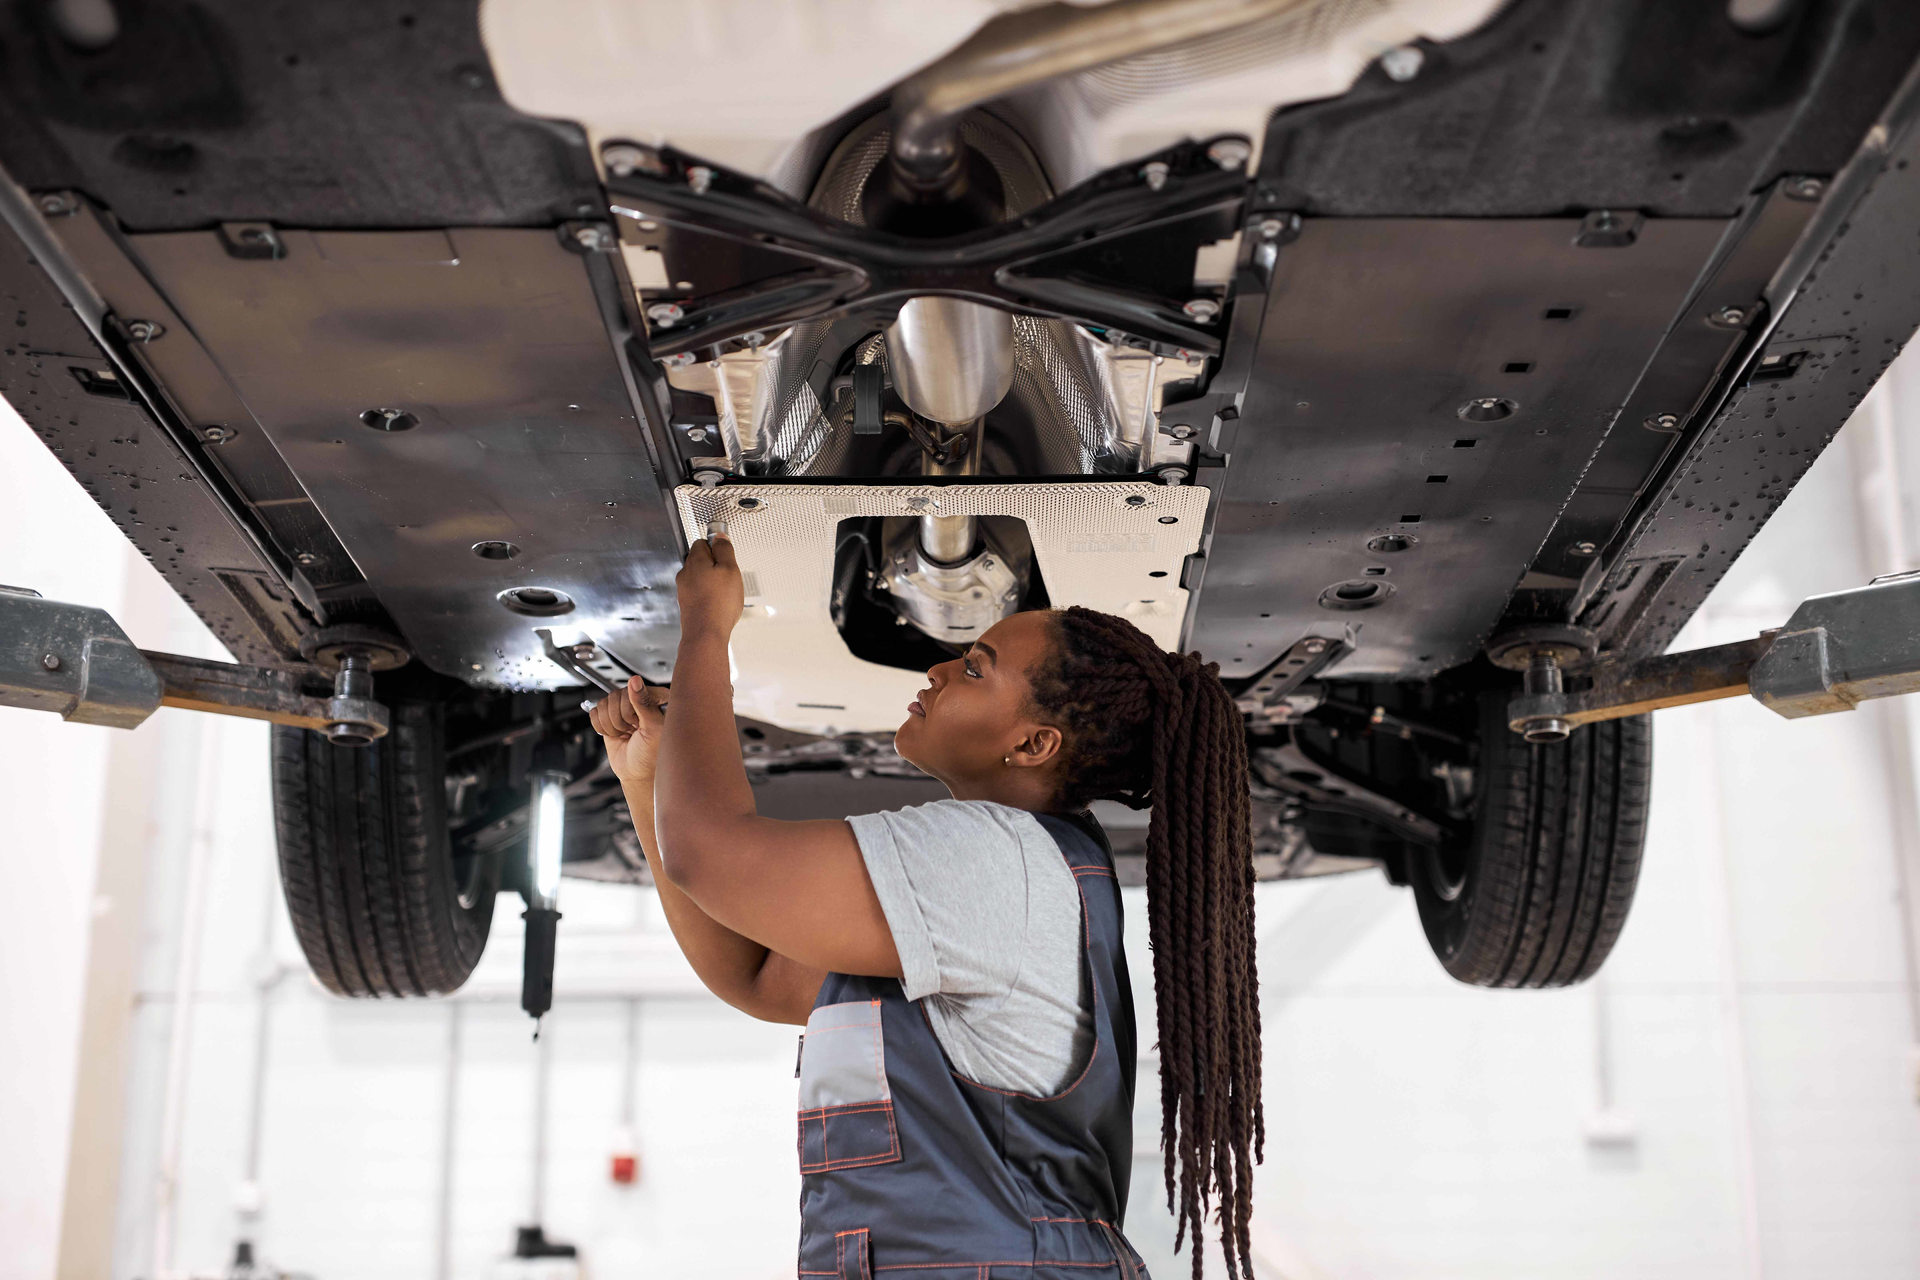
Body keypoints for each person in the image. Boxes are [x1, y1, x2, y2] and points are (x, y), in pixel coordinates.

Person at [589, 534, 1262, 1280]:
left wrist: (707, 630)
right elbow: (754, 971)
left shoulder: (998, 863)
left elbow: (709, 854)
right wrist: (647, 782)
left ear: (1034, 743)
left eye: (976, 669)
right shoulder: (1001, 869)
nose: (939, 668)